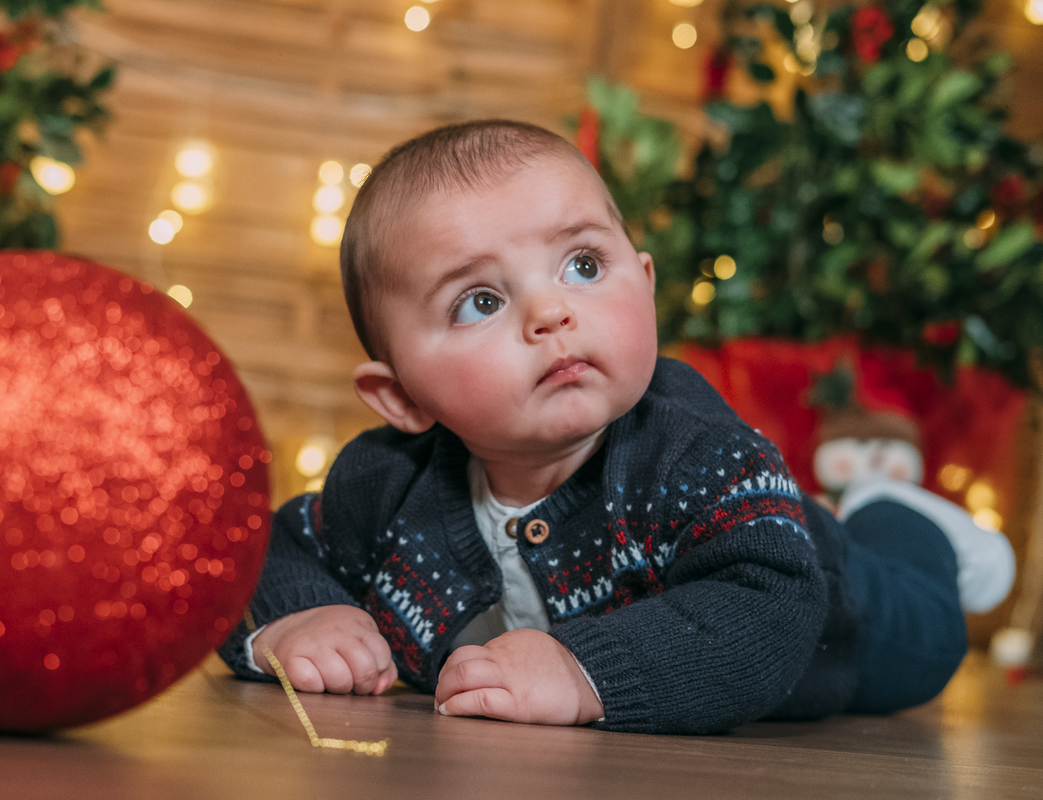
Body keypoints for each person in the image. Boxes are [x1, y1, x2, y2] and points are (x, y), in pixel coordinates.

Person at [219, 120, 1016, 734]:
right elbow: (266, 547)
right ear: (401, 400)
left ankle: (898, 516)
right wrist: (297, 617)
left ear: (646, 282)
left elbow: (768, 611)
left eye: (584, 267)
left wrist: (583, 671)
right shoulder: (389, 486)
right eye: (481, 302)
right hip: (762, 525)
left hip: (839, 604)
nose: (551, 311)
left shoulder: (696, 452)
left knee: (927, 642)